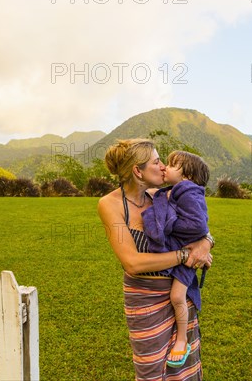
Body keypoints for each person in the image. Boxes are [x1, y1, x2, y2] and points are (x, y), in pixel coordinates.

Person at [98, 139, 214, 380]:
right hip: (144, 301)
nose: (163, 166)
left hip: (179, 293)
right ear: (137, 171)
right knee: (150, 368)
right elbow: (133, 262)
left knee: (184, 369)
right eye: (156, 161)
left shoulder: (161, 195)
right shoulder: (111, 205)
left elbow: (197, 224)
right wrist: (184, 255)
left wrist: (205, 243)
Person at [141, 151, 210, 368]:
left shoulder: (187, 192)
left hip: (186, 256)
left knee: (177, 296)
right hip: (181, 253)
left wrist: (168, 225)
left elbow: (198, 226)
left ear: (187, 176)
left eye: (171, 165)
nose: (165, 168)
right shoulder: (175, 190)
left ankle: (182, 339)